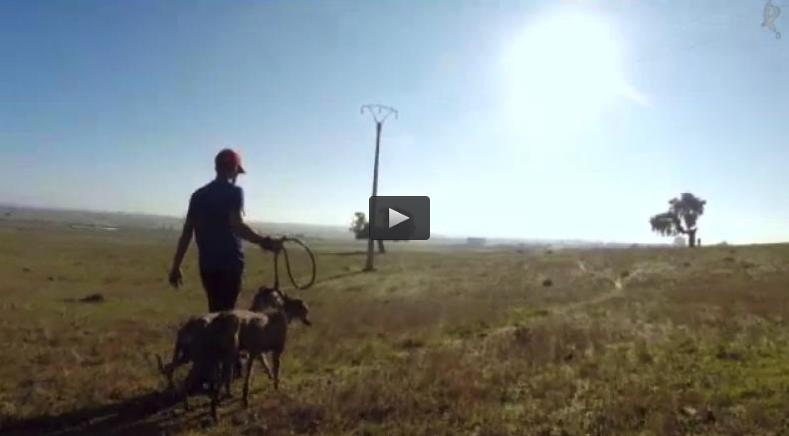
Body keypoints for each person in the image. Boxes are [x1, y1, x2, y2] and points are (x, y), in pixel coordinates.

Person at [168, 148, 282, 312]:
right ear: (234, 169)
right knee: (226, 317)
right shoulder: (234, 193)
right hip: (230, 265)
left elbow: (187, 233)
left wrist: (176, 266)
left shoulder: (198, 196)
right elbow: (237, 224)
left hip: (208, 267)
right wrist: (264, 242)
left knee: (215, 311)